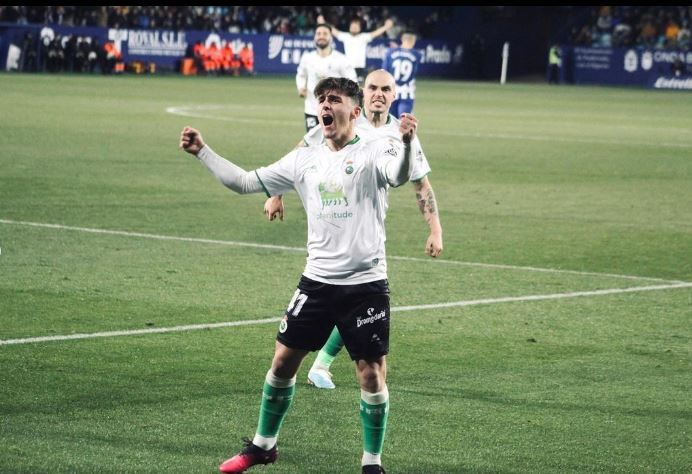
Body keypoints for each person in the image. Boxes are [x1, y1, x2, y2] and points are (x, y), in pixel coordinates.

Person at [180, 76, 418, 474]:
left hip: (365, 286)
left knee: (371, 374)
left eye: (334, 99)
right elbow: (243, 182)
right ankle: (262, 446)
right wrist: (203, 151)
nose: (325, 105)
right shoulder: (304, 157)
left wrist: (408, 144)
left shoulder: (376, 149)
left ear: (354, 112)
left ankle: (372, 463)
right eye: (321, 99)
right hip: (317, 282)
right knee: (282, 362)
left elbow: (398, 175)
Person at [264, 69, 443, 390]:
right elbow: (300, 154)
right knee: (350, 300)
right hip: (331, 231)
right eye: (372, 87)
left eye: (385, 89)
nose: (378, 93)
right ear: (363, 92)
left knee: (356, 301)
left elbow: (421, 184)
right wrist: (276, 193)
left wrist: (435, 229)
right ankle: (321, 364)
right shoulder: (343, 119)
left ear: (393, 94)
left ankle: (322, 364)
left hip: (367, 233)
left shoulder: (398, 134)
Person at [296, 23, 357, 132]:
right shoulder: (307, 58)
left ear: (331, 37)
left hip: (335, 110)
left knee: (333, 144)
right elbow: (301, 74)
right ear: (314, 37)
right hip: (312, 109)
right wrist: (301, 87)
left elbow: (353, 81)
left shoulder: (341, 59)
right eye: (318, 33)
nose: (321, 36)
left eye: (325, 33)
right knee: (313, 143)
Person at [328, 16, 394, 84]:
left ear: (360, 28)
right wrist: (322, 22)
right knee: (347, 90)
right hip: (348, 68)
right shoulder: (345, 36)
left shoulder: (364, 37)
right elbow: (333, 30)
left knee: (360, 89)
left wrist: (386, 27)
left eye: (356, 27)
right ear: (349, 27)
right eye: (352, 26)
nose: (354, 28)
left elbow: (376, 33)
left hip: (360, 69)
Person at [382, 31, 422, 117]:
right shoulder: (416, 54)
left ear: (402, 40)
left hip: (391, 89)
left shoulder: (390, 52)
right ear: (413, 41)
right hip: (407, 91)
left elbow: (384, 70)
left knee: (391, 118)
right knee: (404, 118)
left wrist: (396, 49)